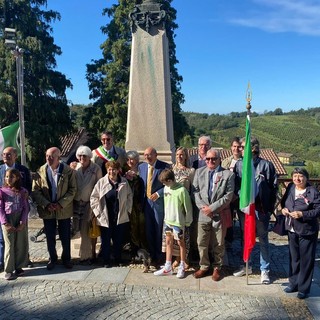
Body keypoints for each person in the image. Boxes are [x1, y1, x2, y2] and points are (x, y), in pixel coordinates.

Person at [233, 137, 277, 284]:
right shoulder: (239, 165)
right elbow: (237, 186)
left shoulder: (267, 165)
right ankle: (246, 264)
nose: (239, 149)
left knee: (263, 239)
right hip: (246, 208)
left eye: (242, 147)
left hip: (261, 209)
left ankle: (265, 270)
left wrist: (269, 209)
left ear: (253, 148)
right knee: (245, 236)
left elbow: (273, 188)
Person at [192, 148, 234, 281]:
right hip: (203, 213)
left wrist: (212, 208)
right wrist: (203, 208)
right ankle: (204, 266)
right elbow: (195, 191)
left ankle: (217, 267)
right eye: (208, 159)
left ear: (219, 159)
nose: (210, 161)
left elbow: (228, 196)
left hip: (219, 213)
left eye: (213, 159)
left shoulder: (228, 175)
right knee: (201, 242)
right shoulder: (199, 172)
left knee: (219, 242)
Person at [32, 147, 77, 270]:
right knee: (50, 236)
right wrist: (46, 204)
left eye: (51, 156)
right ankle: (52, 258)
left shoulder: (68, 171)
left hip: (64, 209)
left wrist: (60, 203)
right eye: (47, 156)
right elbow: (35, 191)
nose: (48, 158)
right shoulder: (40, 171)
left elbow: (73, 190)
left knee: (65, 236)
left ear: (59, 157)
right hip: (47, 210)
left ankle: (66, 259)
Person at [281, 168, 320, 299]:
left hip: (307, 230)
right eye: (295, 176)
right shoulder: (291, 187)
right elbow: (284, 202)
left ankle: (304, 288)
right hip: (292, 229)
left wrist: (302, 214)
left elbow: (318, 210)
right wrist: (284, 209)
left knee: (306, 260)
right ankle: (294, 283)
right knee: (294, 258)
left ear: (306, 178)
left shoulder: (313, 191)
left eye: (300, 176)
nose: (297, 179)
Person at [90, 161, 133, 267]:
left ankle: (118, 259)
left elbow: (129, 196)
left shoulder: (124, 182)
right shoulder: (101, 182)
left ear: (118, 170)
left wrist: (127, 210)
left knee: (118, 240)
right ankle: (106, 260)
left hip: (119, 215)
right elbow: (94, 197)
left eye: (114, 169)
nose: (111, 171)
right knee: (105, 240)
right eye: (109, 169)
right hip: (105, 215)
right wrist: (97, 212)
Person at [154, 169, 193, 279]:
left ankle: (182, 265)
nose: (164, 184)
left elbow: (188, 208)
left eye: (165, 182)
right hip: (168, 222)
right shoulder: (166, 188)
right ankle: (168, 266)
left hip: (178, 223)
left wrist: (187, 222)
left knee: (181, 243)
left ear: (170, 180)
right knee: (168, 242)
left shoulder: (182, 190)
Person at [0, 146, 32, 272]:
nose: (5, 157)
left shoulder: (23, 170)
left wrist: (26, 193)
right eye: (3, 154)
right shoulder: (0, 170)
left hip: (20, 210)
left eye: (8, 154)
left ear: (15, 156)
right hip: (4, 212)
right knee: (3, 239)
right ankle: (4, 262)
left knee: (20, 239)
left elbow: (29, 186)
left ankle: (21, 262)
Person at [138, 147, 170, 266]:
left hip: (158, 203)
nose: (147, 157)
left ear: (156, 155)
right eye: (145, 155)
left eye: (150, 155)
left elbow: (168, 184)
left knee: (158, 229)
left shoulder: (164, 167)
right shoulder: (141, 167)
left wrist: (158, 193)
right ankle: (151, 254)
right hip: (146, 204)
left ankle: (160, 255)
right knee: (148, 230)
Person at [73, 146, 102, 264]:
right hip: (76, 203)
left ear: (89, 156)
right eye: (80, 156)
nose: (82, 158)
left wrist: (95, 207)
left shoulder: (96, 169)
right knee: (77, 230)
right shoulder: (76, 168)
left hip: (89, 203)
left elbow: (99, 188)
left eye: (84, 156)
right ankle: (83, 254)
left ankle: (86, 256)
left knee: (86, 231)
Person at [169, 147, 195, 267]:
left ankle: (184, 258)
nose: (179, 156)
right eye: (178, 154)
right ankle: (176, 257)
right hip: (173, 206)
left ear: (185, 157)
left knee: (184, 234)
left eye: (182, 154)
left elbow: (193, 189)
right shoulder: (171, 170)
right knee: (174, 234)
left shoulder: (191, 171)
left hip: (184, 206)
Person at [124, 150, 147, 257]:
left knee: (141, 226)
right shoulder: (123, 171)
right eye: (128, 159)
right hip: (128, 204)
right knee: (130, 227)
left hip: (139, 203)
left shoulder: (142, 170)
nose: (130, 161)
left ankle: (142, 248)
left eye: (132, 159)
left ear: (137, 160)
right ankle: (133, 249)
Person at [221, 137, 242, 251]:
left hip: (240, 197)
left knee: (243, 224)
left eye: (238, 146)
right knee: (227, 221)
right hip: (227, 197)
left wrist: (237, 194)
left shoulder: (245, 162)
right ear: (231, 147)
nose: (236, 149)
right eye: (234, 146)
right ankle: (227, 243)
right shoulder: (225, 161)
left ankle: (244, 249)